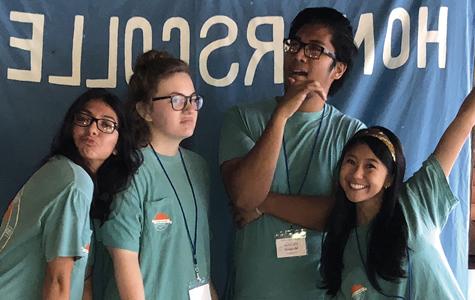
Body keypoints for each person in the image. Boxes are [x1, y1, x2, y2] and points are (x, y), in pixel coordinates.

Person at [219, 7, 365, 300]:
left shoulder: (351, 134)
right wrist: (281, 116)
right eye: (294, 45)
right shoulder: (243, 118)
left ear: (338, 69)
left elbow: (342, 216)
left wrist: (265, 203)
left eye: (314, 50)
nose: (298, 55)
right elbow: (244, 196)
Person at [320, 88, 475, 299]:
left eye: (370, 166)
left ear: (390, 178)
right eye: (351, 162)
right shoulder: (340, 241)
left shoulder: (416, 200)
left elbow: (465, 119)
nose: (357, 174)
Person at [0, 88, 140, 300]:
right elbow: (58, 281)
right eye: (84, 119)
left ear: (118, 146)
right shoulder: (74, 182)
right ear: (71, 128)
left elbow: (82, 280)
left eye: (106, 124)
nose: (93, 129)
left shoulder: (68, 174)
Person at [99, 50, 216, 299]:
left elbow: (198, 257)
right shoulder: (129, 169)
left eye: (193, 99)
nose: (189, 109)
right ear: (145, 110)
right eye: (176, 100)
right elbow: (124, 260)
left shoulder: (199, 167)